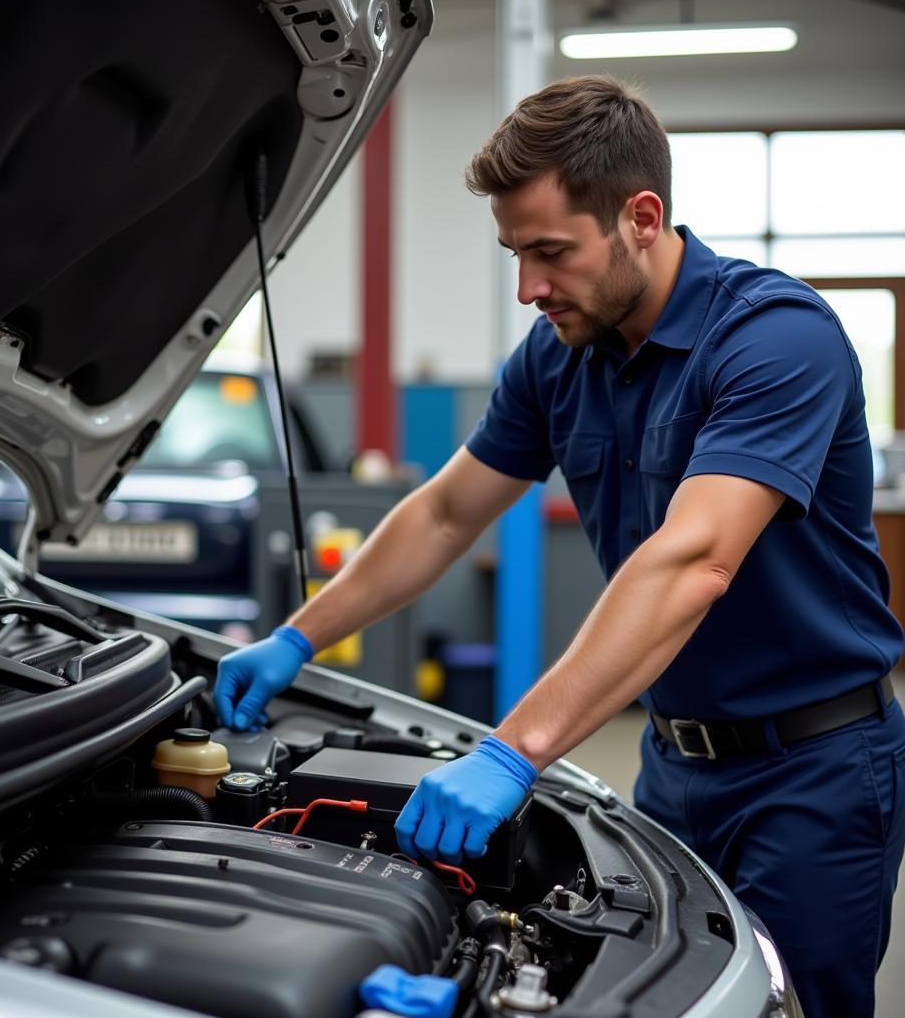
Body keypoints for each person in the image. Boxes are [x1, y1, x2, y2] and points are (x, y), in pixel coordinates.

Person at [214, 75, 905, 1018]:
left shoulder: (775, 339)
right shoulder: (557, 355)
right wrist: (296, 636)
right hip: (669, 761)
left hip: (814, 769)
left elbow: (694, 559)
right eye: (514, 254)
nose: (529, 288)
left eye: (550, 252)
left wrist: (512, 753)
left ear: (642, 217)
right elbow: (446, 513)